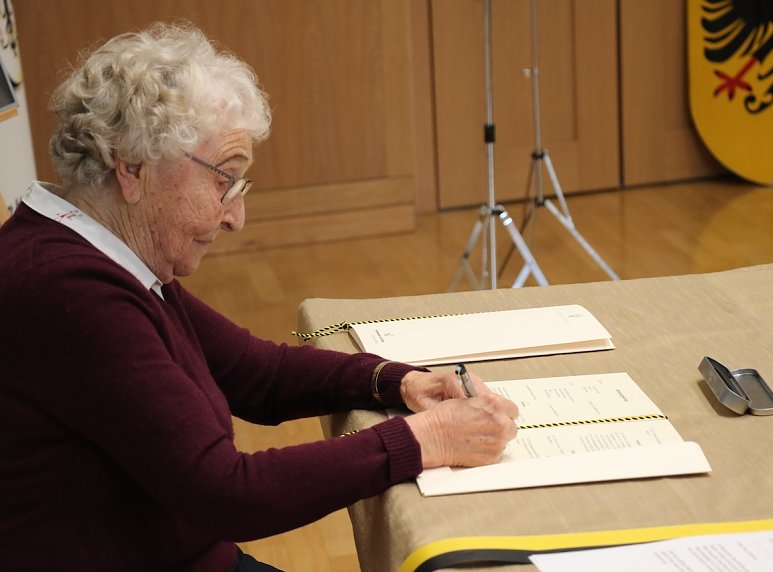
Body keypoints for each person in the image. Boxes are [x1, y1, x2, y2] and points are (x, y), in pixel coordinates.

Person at [0, 22, 518, 572]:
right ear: (131, 167)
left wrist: (399, 381)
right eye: (223, 179)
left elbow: (258, 374)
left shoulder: (96, 252)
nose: (235, 217)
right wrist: (423, 439)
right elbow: (227, 493)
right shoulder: (66, 291)